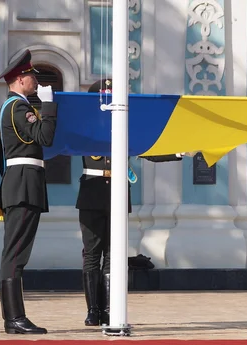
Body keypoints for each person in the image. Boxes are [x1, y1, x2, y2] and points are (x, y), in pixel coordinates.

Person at [77, 79, 183, 327]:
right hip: (92, 194)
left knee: (114, 256)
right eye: (106, 98)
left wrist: (179, 150)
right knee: (92, 255)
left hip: (117, 193)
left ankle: (109, 309)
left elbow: (148, 148)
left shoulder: (124, 127)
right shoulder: (85, 125)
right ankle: (93, 311)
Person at [0, 50, 57, 334]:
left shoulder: (9, 106)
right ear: (20, 79)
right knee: (16, 253)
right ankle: (14, 318)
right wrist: (48, 107)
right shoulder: (18, 108)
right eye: (32, 76)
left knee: (16, 252)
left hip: (19, 182)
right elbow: (44, 137)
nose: (35, 81)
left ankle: (14, 317)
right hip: (23, 184)